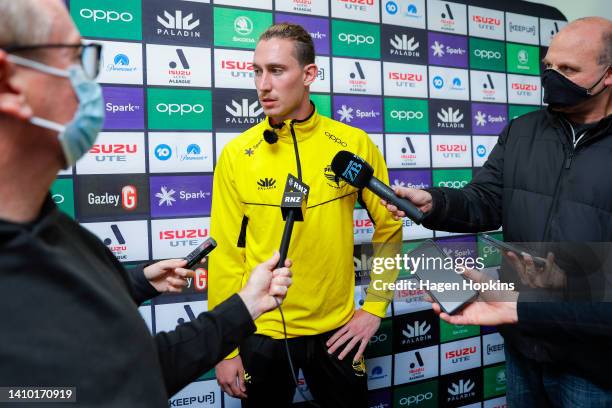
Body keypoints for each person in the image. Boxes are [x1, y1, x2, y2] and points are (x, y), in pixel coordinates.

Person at [0, 1, 292, 405]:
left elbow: (127, 363)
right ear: (8, 81)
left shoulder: (47, 222)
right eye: (74, 58)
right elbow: (94, 384)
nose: (90, 83)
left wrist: (137, 284)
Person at [382, 17, 612, 406]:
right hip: (522, 343)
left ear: (608, 75)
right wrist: (435, 203)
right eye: (548, 67)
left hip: (593, 359)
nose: (553, 78)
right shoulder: (521, 131)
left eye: (569, 70)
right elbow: (485, 200)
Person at [209, 23, 402, 407]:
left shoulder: (352, 144)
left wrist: (375, 307)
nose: (263, 84)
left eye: (276, 71)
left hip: (337, 331)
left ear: (309, 74)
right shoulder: (236, 154)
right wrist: (225, 348)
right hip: (261, 333)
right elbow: (226, 254)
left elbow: (389, 225)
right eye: (257, 71)